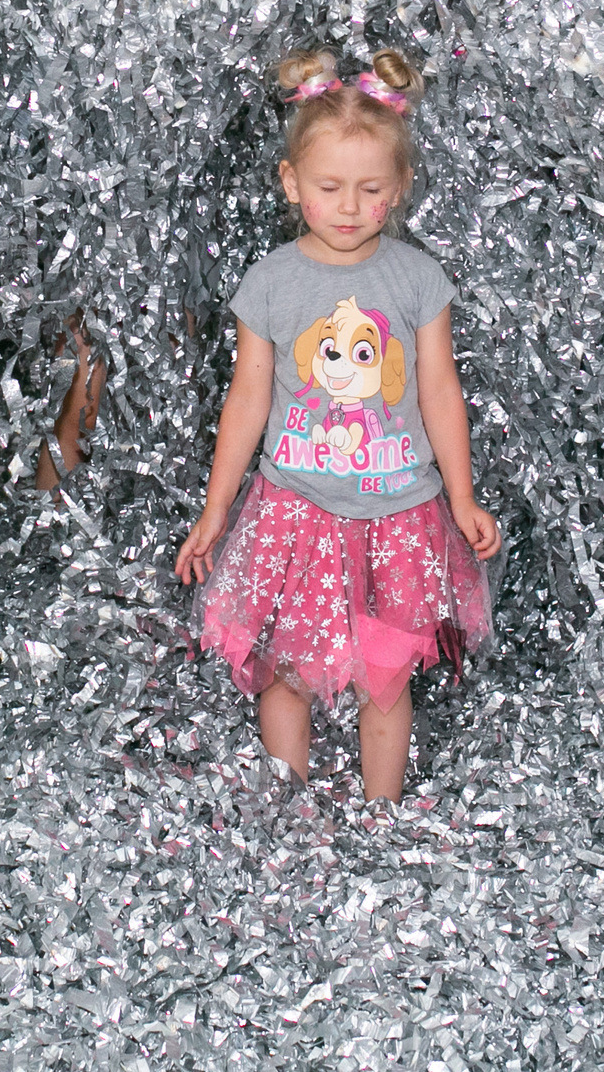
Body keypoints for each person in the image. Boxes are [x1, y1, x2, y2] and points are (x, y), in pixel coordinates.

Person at [176, 50, 501, 803]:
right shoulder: (271, 281)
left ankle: (380, 818)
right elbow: (247, 401)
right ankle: (288, 811)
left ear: (401, 190)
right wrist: (216, 508)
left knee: (384, 682)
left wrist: (462, 498)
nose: (350, 206)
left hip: (398, 517)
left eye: (370, 190)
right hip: (297, 516)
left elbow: (440, 391)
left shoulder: (417, 280)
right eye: (329, 188)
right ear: (292, 185)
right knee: (286, 673)